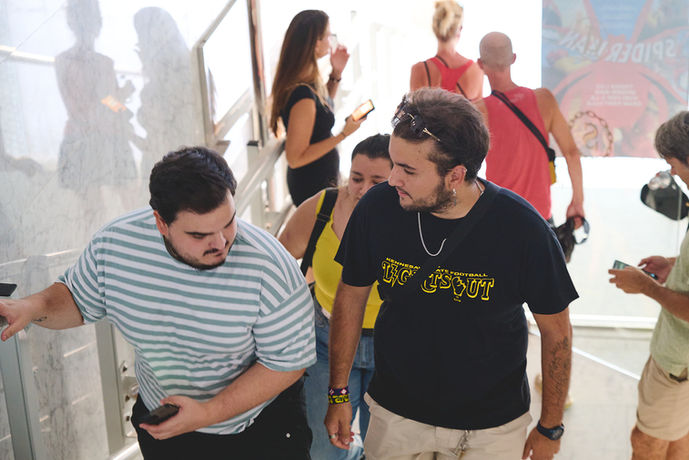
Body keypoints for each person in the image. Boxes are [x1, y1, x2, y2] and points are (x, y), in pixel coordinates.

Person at [0, 146, 316, 460]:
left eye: (229, 223)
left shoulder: (270, 267)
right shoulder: (117, 245)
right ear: (161, 223)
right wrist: (33, 306)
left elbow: (287, 364)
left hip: (259, 431)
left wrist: (208, 413)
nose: (221, 243)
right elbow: (77, 297)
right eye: (199, 235)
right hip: (165, 426)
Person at [324, 88, 576, 460]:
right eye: (394, 163)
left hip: (491, 427)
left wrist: (550, 426)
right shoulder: (377, 209)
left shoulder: (523, 229)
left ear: (455, 175)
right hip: (396, 414)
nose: (392, 180)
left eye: (408, 170)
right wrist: (338, 393)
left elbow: (557, 332)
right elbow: (351, 295)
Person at [279, 134, 392, 459]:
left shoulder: (414, 216)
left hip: (391, 348)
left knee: (384, 449)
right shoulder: (322, 207)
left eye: (377, 181)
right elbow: (277, 263)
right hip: (325, 342)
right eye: (356, 178)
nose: (363, 189)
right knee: (322, 448)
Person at [609, 111, 689, 460]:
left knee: (646, 442)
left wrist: (647, 287)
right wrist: (675, 264)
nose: (673, 173)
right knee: (680, 436)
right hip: (679, 361)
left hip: (679, 364)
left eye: (672, 164)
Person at [475, 31, 584, 224]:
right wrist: (578, 202)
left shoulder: (477, 111)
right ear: (513, 58)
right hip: (540, 219)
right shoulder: (544, 100)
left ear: (480, 64)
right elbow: (572, 153)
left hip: (500, 218)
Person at [270, 10, 365, 206]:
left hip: (319, 179)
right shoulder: (302, 94)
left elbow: (322, 106)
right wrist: (343, 134)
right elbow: (295, 158)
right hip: (311, 184)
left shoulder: (307, 81)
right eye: (328, 35)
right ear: (316, 43)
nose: (331, 40)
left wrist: (336, 73)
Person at [409, 1, 483, 100]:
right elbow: (480, 109)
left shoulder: (419, 70)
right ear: (460, 29)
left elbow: (413, 109)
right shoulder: (476, 70)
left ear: (435, 28)